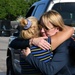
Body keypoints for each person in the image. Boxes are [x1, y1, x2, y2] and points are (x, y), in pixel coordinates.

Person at [9, 10, 74, 75]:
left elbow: (50, 70)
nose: (42, 31)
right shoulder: (39, 38)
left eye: (46, 28)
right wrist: (32, 41)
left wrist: (29, 57)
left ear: (57, 28)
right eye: (40, 27)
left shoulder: (64, 44)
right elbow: (13, 43)